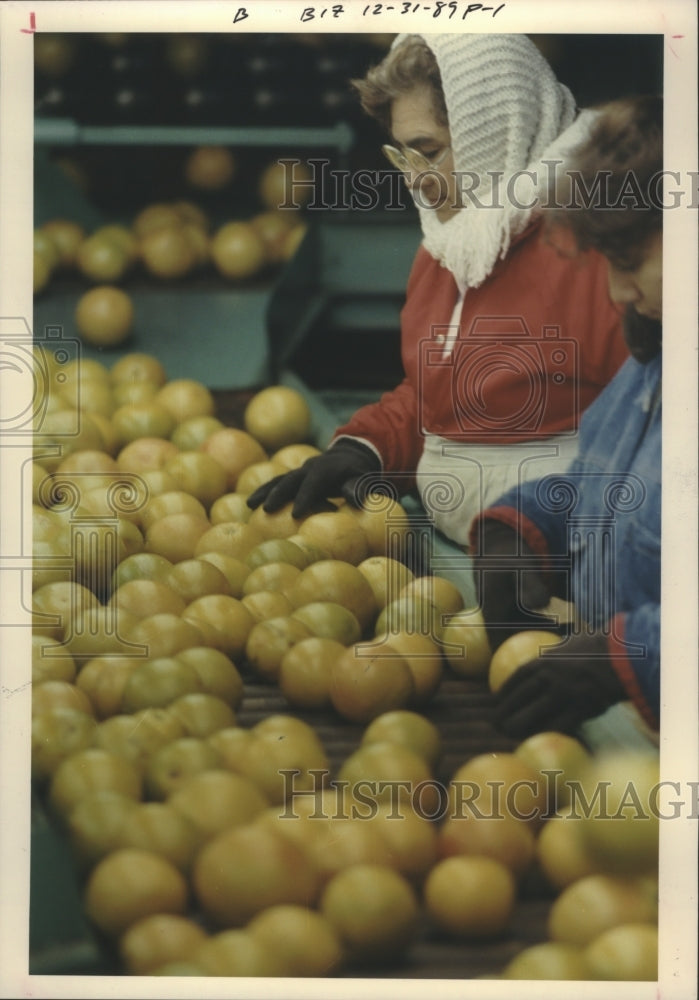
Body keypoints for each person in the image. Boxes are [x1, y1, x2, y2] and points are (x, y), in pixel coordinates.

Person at [248, 34, 628, 550]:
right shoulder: (450, 244)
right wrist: (367, 449)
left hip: (569, 572)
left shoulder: (602, 254)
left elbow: (656, 437)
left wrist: (540, 529)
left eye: (428, 153)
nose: (414, 180)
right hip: (464, 550)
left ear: (494, 131)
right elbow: (441, 401)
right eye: (402, 155)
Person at [470, 94, 662, 742]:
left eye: (629, 263)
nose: (615, 293)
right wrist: (519, 531)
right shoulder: (654, 366)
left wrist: (634, 653)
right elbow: (594, 485)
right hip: (615, 742)